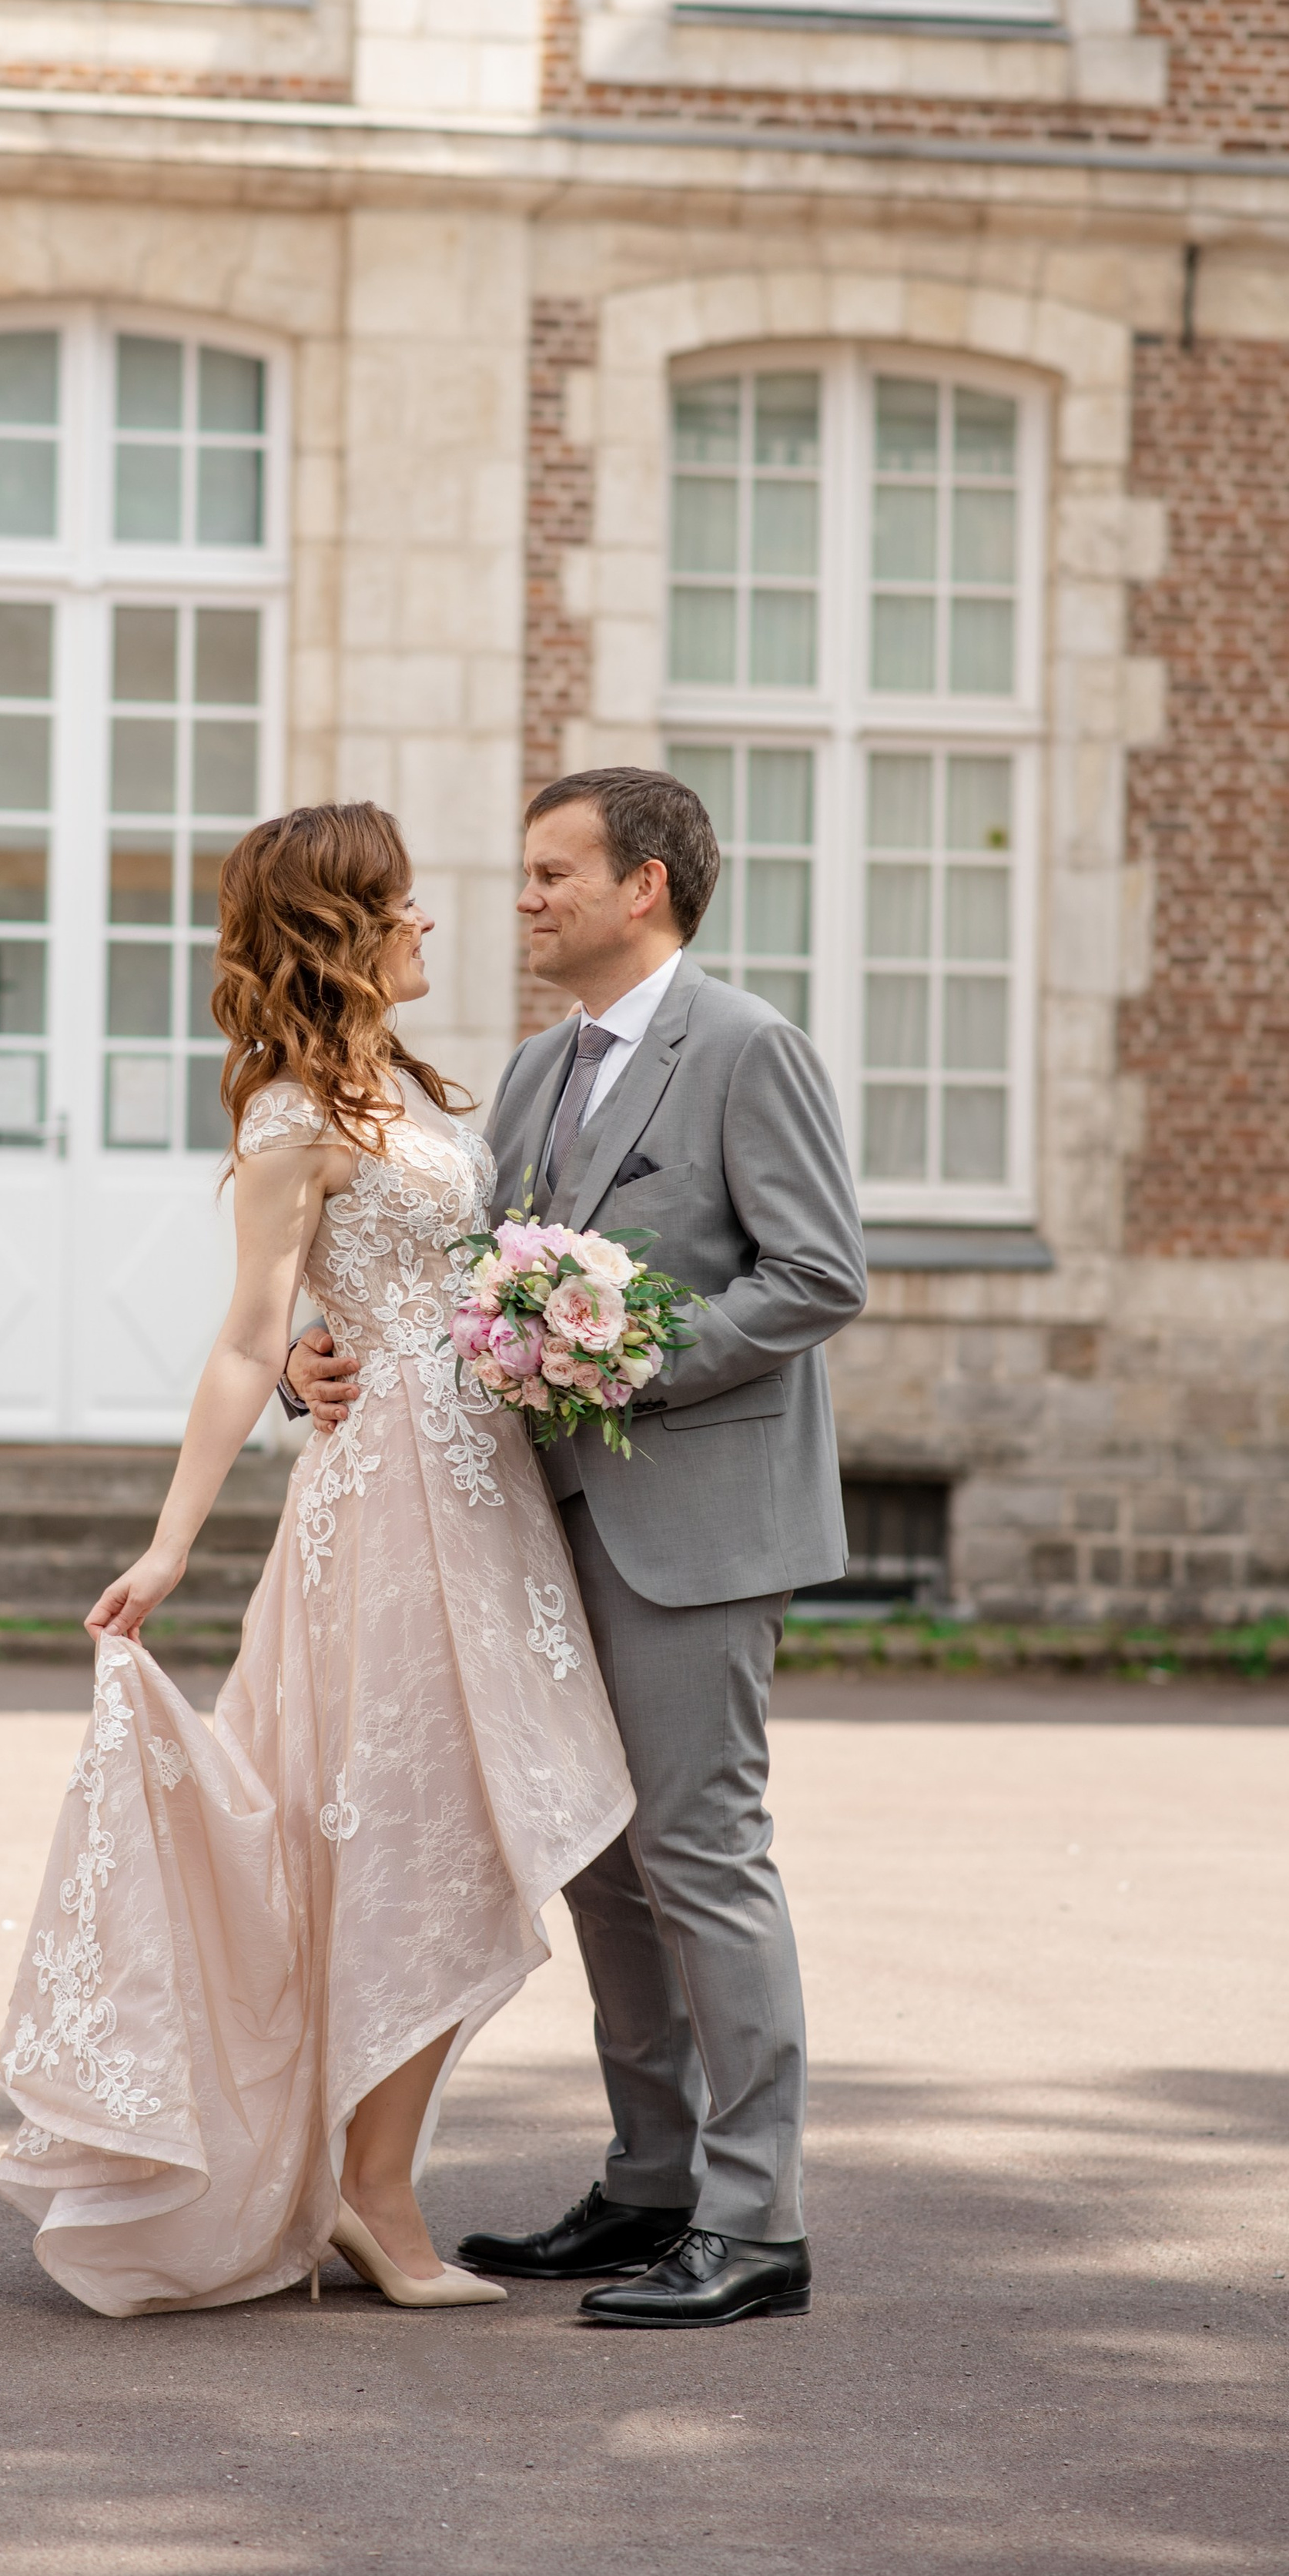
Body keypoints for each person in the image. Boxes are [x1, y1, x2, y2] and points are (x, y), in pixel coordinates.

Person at [0, 801, 634, 2319]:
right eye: (399, 905)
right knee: (411, 1825)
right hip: (388, 1504)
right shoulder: (290, 1117)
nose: (427, 923)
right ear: (339, 932)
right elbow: (245, 1337)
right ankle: (370, 2189)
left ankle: (370, 2170)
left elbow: (421, 1283)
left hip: (481, 1484)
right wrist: (167, 1543)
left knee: (461, 1819)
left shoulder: (401, 1084)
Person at [286, 767, 865, 2326]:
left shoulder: (747, 1048)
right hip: (536, 1522)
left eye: (553, 872)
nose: (524, 897)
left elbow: (816, 1273)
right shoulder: (537, 1068)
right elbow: (458, 1276)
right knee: (602, 1863)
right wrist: (309, 1358)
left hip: (697, 1526)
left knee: (699, 1856)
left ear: (646, 888)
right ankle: (649, 2183)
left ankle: (755, 2226)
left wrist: (629, 1357)